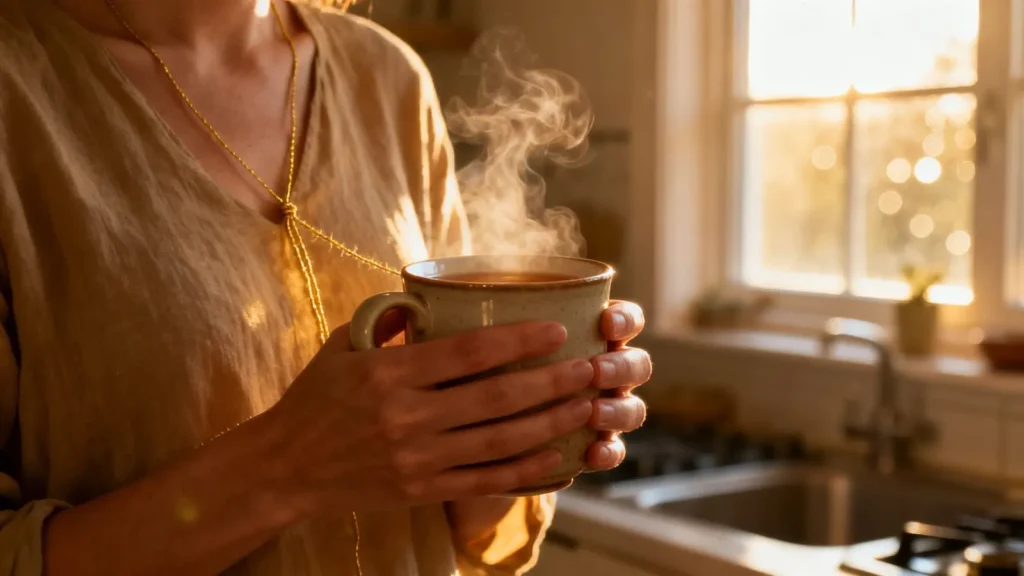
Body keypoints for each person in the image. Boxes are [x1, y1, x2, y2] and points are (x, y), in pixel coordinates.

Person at [0, 0, 652, 574]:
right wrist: (285, 468)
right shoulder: (18, 91)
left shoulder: (387, 77)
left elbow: (451, 528)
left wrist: (519, 432)